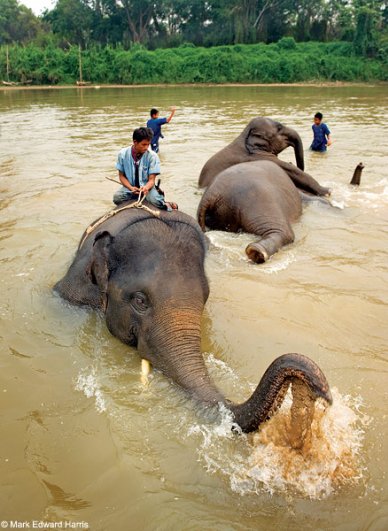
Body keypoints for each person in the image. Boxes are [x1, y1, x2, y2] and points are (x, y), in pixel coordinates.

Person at [113, 127, 177, 210]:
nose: (146, 147)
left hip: (147, 188)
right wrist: (131, 188)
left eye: (148, 144)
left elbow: (151, 180)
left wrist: (146, 188)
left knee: (157, 202)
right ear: (135, 142)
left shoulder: (152, 156)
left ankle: (166, 203)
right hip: (131, 188)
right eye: (143, 144)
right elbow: (121, 176)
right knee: (117, 198)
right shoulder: (122, 154)